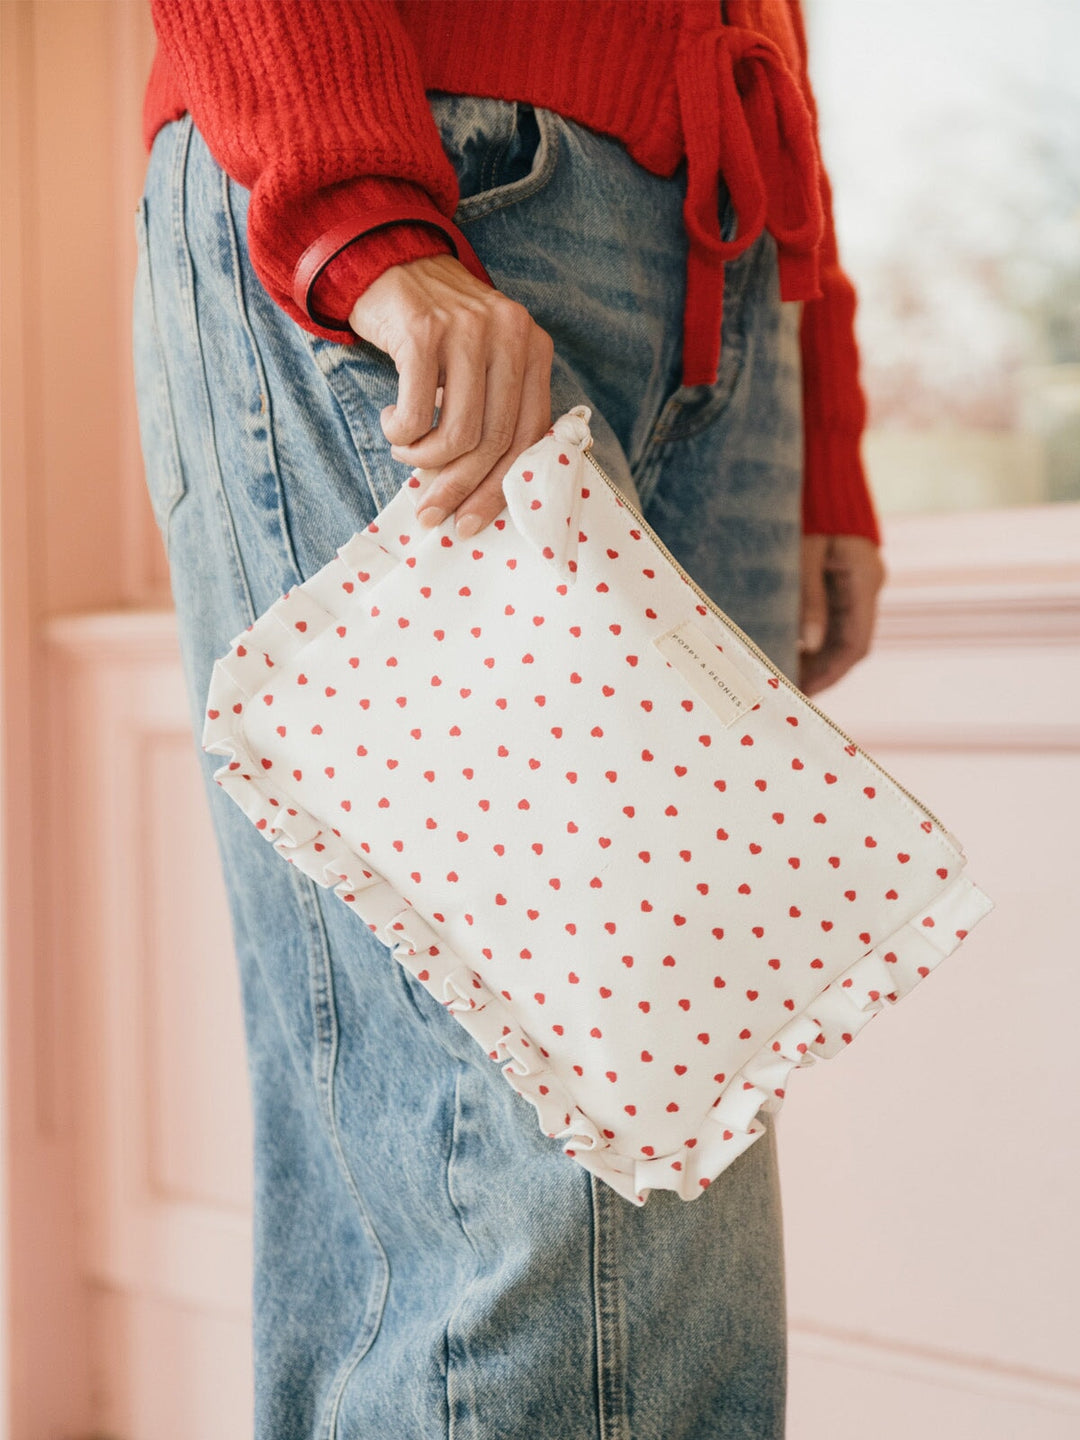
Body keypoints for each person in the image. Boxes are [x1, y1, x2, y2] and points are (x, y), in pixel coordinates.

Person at [133, 2, 885, 1435]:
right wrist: (348, 194)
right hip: (425, 170)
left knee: (676, 1143)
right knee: (545, 1182)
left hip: (725, 258)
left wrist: (819, 371)